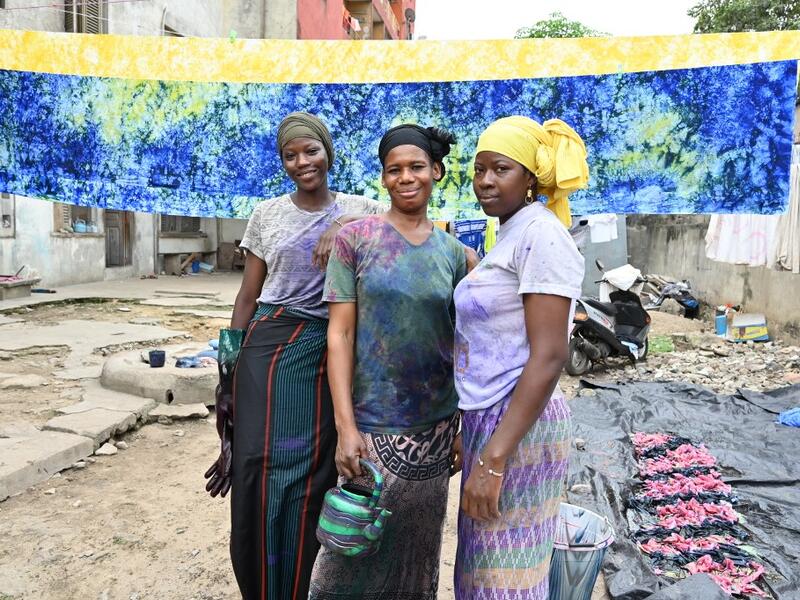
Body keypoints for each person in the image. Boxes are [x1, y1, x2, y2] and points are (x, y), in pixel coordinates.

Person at [204, 111, 385, 600]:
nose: (302, 162)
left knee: (311, 473)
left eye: (311, 151)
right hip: (270, 344)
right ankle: (262, 587)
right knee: (257, 469)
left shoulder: (363, 206)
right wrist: (227, 369)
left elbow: (401, 220)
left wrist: (346, 225)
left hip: (332, 348)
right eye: (290, 155)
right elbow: (248, 294)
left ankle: (306, 586)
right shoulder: (266, 214)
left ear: (328, 152)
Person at [309, 124, 469, 599]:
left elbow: (469, 343)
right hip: (372, 428)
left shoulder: (456, 254)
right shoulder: (355, 240)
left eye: (416, 167)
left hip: (435, 432)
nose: (406, 177)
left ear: (436, 172)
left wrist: (465, 427)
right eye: (394, 169)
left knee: (416, 558)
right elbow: (339, 334)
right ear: (382, 179)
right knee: (347, 554)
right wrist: (346, 427)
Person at [453, 116, 588, 599]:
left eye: (501, 169)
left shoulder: (541, 236)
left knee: (503, 578)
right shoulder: (510, 233)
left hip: (519, 426)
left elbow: (550, 354)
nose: (485, 181)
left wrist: (493, 459)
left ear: (530, 178)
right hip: (493, 420)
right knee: (483, 568)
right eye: (479, 169)